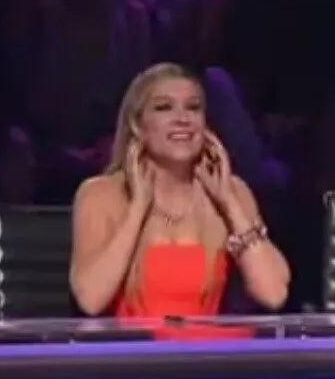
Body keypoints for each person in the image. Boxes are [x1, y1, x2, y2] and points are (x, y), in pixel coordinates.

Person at [69, 62, 290, 318]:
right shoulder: (101, 194)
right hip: (130, 343)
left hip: (206, 344)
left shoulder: (233, 192)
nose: (182, 119)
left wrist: (228, 201)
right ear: (138, 125)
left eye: (193, 107)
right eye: (164, 107)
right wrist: (138, 207)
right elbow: (90, 299)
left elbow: (273, 294)